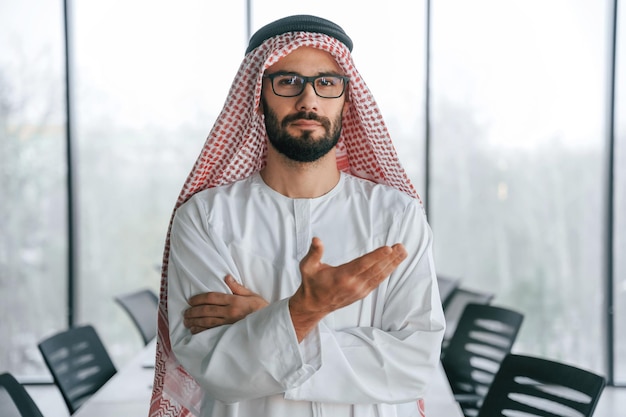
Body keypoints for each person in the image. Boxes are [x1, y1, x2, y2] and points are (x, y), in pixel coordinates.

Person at [149, 14, 445, 417]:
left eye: (326, 83)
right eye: (287, 81)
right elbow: (214, 370)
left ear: (347, 97)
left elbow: (412, 368)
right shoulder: (205, 218)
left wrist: (275, 320)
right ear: (257, 96)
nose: (308, 100)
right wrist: (299, 314)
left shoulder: (397, 217)